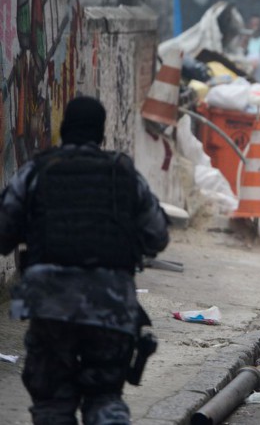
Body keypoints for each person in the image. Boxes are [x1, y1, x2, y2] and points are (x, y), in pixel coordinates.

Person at [0, 96, 170, 424]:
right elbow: (158, 235)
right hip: (111, 306)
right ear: (101, 134)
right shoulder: (124, 174)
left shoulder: (36, 171)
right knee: (105, 398)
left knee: (52, 403)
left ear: (63, 131)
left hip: (50, 305)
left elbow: (3, 231)